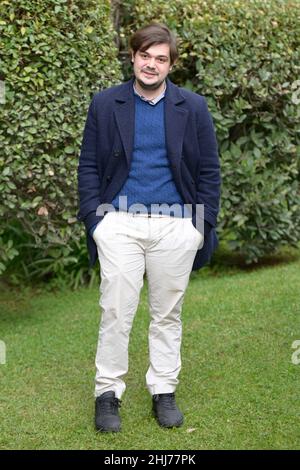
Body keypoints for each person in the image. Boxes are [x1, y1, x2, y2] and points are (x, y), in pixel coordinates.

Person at [77, 22, 221, 432]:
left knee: (167, 313)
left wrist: (200, 225)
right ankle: (107, 393)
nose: (151, 64)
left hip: (176, 225)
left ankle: (164, 390)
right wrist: (96, 221)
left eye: (160, 58)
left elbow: (209, 170)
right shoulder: (106, 104)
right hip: (118, 222)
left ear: (171, 64)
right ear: (133, 56)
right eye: (145, 56)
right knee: (115, 309)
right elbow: (88, 166)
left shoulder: (192, 107)